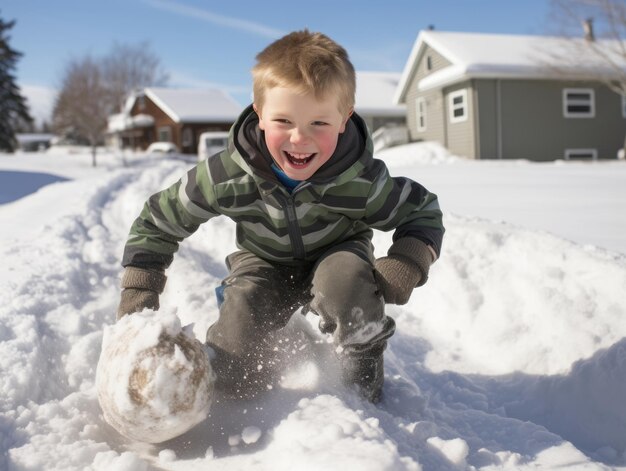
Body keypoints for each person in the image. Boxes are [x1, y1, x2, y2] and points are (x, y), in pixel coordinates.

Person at [117, 30, 444, 403]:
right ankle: (235, 381)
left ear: (344, 119)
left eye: (319, 123)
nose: (299, 139)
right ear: (259, 115)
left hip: (336, 254)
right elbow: (159, 219)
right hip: (263, 260)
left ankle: (360, 380)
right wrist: (139, 289)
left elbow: (423, 210)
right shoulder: (228, 175)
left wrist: (407, 260)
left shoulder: (361, 179)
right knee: (235, 348)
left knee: (347, 286)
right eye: (283, 121)